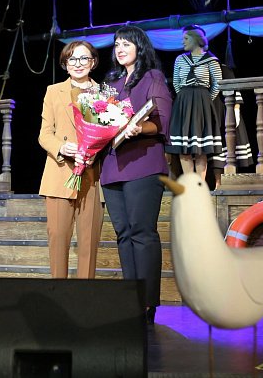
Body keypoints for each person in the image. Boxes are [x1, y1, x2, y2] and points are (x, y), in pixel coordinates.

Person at [99, 26, 173, 324]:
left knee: (142, 232)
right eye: (117, 44)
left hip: (143, 163)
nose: (120, 49)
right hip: (112, 166)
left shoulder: (152, 77)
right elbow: (98, 120)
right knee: (124, 234)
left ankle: (147, 302)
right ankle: (131, 298)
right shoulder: (110, 83)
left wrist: (139, 127)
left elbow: (162, 121)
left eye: (126, 44)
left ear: (140, 47)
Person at [38, 41, 104, 279]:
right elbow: (44, 134)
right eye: (72, 59)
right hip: (60, 174)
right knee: (58, 239)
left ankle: (85, 296)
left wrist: (93, 151)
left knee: (89, 243)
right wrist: (61, 147)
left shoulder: (104, 93)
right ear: (65, 64)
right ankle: (59, 293)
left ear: (93, 62)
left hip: (92, 176)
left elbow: (109, 132)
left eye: (84, 58)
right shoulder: (53, 91)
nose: (78, 64)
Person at [165, 25, 223, 185]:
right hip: (183, 102)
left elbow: (217, 84)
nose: (182, 42)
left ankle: (200, 185)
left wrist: (205, 99)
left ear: (196, 39)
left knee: (200, 147)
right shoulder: (180, 59)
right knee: (184, 146)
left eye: (186, 38)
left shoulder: (211, 60)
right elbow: (176, 83)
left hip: (202, 102)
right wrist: (185, 97)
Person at [210, 62, 254, 187]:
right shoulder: (204, 68)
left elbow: (234, 89)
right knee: (216, 151)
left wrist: (236, 109)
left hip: (225, 111)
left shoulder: (224, 69)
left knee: (228, 148)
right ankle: (218, 182)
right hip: (212, 110)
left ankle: (229, 182)